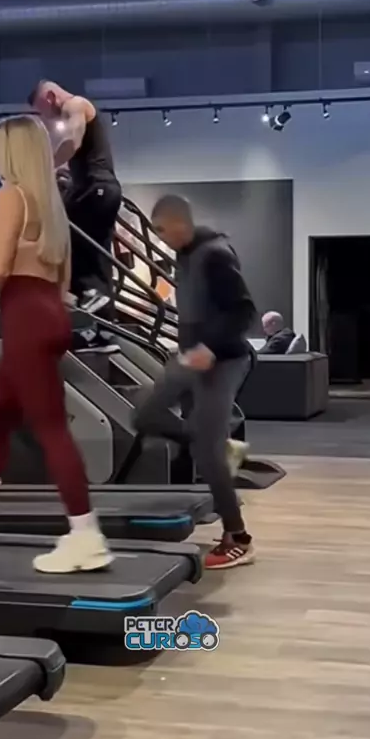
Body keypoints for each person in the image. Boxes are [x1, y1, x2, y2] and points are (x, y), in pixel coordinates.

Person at [0, 115, 113, 575]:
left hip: (26, 320)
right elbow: (62, 280)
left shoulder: (12, 196)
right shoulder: (51, 205)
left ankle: (86, 535)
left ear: (11, 152)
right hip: (49, 313)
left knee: (51, 428)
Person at [133, 195, 256, 571]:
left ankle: (239, 538)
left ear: (180, 223)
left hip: (224, 360)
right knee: (146, 414)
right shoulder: (184, 253)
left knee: (206, 449)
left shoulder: (215, 254)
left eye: (162, 229)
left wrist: (210, 348)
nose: (160, 237)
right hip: (191, 358)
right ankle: (220, 447)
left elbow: (244, 311)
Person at [28, 80, 122, 353]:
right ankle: (103, 331)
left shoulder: (75, 104)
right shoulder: (78, 110)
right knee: (96, 258)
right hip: (102, 189)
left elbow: (71, 140)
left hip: (95, 188)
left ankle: (88, 312)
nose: (45, 117)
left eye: (42, 110)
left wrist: (44, 169)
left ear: (50, 96)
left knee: (65, 246)